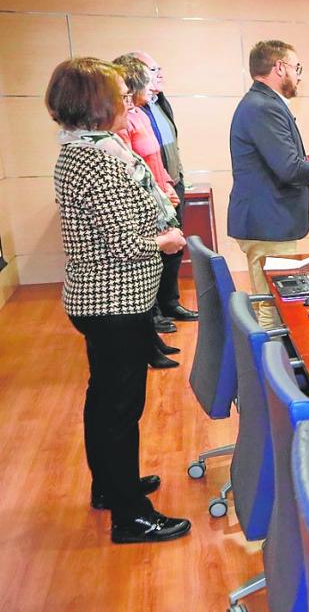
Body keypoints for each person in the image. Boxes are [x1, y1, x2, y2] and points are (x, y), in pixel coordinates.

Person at [47, 57, 191, 543]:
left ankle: (111, 485)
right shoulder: (97, 158)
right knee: (120, 408)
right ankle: (131, 515)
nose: (127, 104)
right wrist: (167, 241)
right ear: (97, 104)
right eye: (119, 96)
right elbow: (127, 240)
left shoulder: (84, 149)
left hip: (103, 299)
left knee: (104, 399)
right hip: (114, 301)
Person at [228, 40, 309, 328]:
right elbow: (288, 169)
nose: (298, 76)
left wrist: (305, 160)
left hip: (266, 221)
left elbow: (277, 161)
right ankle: (269, 371)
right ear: (279, 67)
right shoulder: (264, 106)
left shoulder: (261, 103)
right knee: (273, 310)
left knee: (271, 305)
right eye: (296, 68)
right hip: (268, 223)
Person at [111, 55, 183, 369]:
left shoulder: (142, 113)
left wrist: (166, 185)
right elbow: (135, 167)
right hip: (145, 207)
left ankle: (153, 339)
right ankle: (149, 342)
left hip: (159, 193)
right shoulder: (118, 130)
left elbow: (154, 160)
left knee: (159, 267)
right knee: (145, 271)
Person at [132, 51, 196, 324]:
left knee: (174, 248)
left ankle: (170, 303)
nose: (159, 74)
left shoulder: (159, 102)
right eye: (153, 70)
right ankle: (153, 311)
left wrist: (174, 179)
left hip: (171, 183)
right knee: (155, 252)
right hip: (151, 192)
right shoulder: (132, 110)